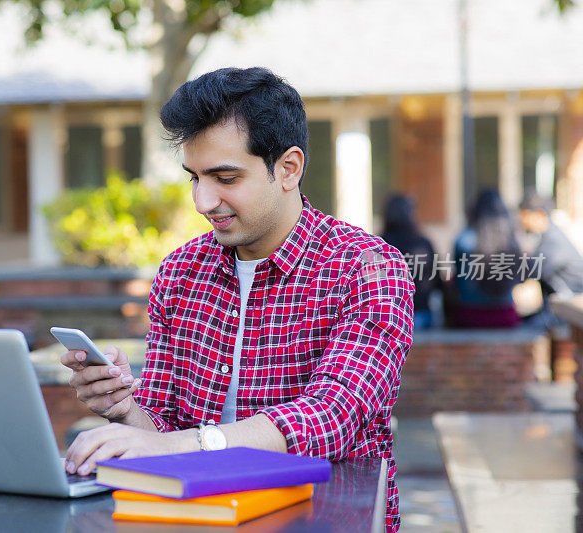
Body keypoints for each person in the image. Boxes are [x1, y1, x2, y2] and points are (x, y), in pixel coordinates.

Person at [60, 67, 414, 532]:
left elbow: (329, 416)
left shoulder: (369, 269)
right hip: (191, 521)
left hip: (321, 518)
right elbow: (163, 434)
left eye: (225, 178)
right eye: (194, 178)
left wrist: (182, 445)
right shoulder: (180, 274)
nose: (204, 201)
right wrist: (125, 410)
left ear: (288, 168)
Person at [448, 189, 521, 328]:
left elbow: (456, 280)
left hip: (469, 315)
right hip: (505, 315)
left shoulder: (464, 240)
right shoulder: (512, 242)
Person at [518, 189, 583, 326]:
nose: (522, 221)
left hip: (570, 313)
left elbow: (527, 272)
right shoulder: (549, 237)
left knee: (522, 327)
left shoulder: (554, 243)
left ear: (539, 214)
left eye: (524, 215)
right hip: (561, 309)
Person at [381, 194, 441, 329]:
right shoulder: (424, 243)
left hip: (389, 317)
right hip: (421, 314)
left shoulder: (378, 245)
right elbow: (438, 282)